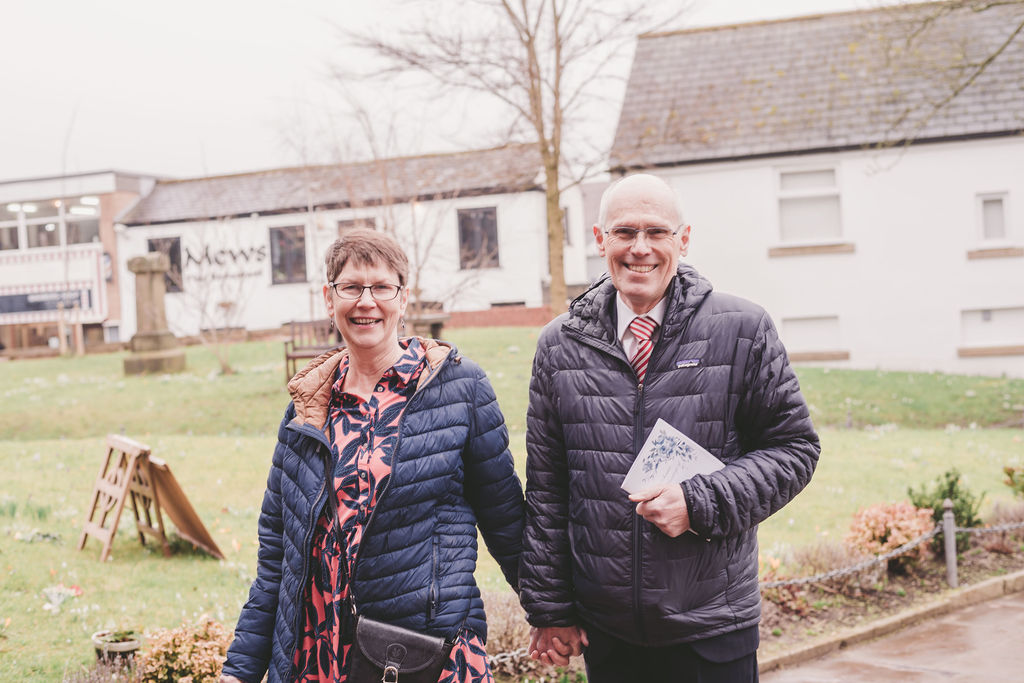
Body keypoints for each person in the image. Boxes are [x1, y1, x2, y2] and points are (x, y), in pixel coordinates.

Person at [519, 174, 820, 682]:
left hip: (711, 623)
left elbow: (794, 449)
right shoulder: (559, 346)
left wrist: (700, 502)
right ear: (600, 240)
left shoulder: (742, 329)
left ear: (683, 239)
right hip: (609, 632)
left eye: (657, 232)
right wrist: (551, 610)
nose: (640, 249)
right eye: (624, 233)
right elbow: (549, 488)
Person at [221, 228, 525, 683]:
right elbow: (277, 560)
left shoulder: (460, 389)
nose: (367, 301)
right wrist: (240, 670)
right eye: (351, 287)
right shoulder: (307, 409)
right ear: (329, 299)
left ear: (403, 299)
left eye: (382, 287)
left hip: (423, 654)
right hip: (317, 657)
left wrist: (552, 611)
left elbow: (506, 520)